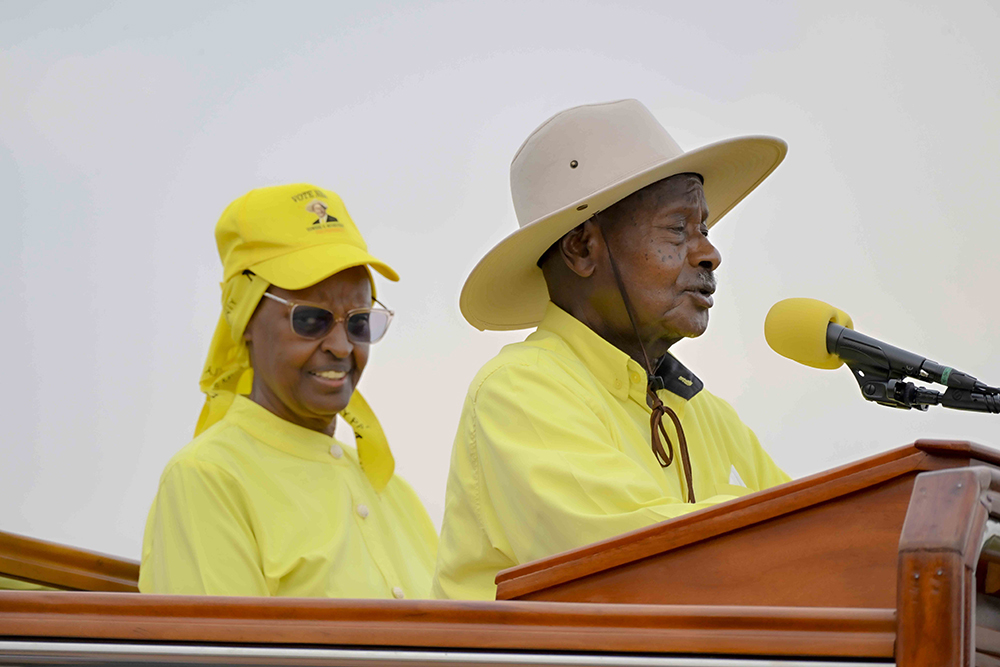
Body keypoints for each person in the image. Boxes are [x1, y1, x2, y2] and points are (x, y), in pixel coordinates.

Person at [433, 99, 792, 600]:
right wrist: (770, 525)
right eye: (678, 228)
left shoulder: (706, 412)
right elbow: (634, 563)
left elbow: (816, 530)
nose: (709, 253)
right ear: (582, 248)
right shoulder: (520, 389)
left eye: (705, 229)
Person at [140, 184, 437, 598]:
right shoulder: (210, 480)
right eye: (311, 320)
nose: (342, 346)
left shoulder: (396, 495)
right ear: (245, 319)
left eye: (359, 321)